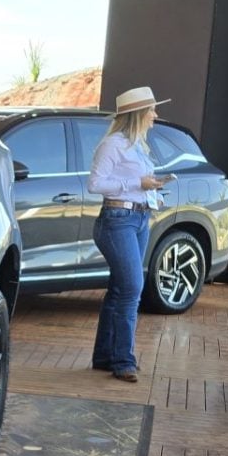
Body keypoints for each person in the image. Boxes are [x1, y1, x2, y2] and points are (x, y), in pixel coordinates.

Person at [87, 86, 175, 383]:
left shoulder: (137, 146)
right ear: (138, 114)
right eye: (151, 110)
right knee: (131, 290)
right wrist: (137, 183)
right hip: (117, 220)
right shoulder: (113, 144)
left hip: (137, 218)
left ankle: (104, 356)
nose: (155, 115)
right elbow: (95, 184)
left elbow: (133, 184)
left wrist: (151, 192)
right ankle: (123, 360)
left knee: (120, 289)